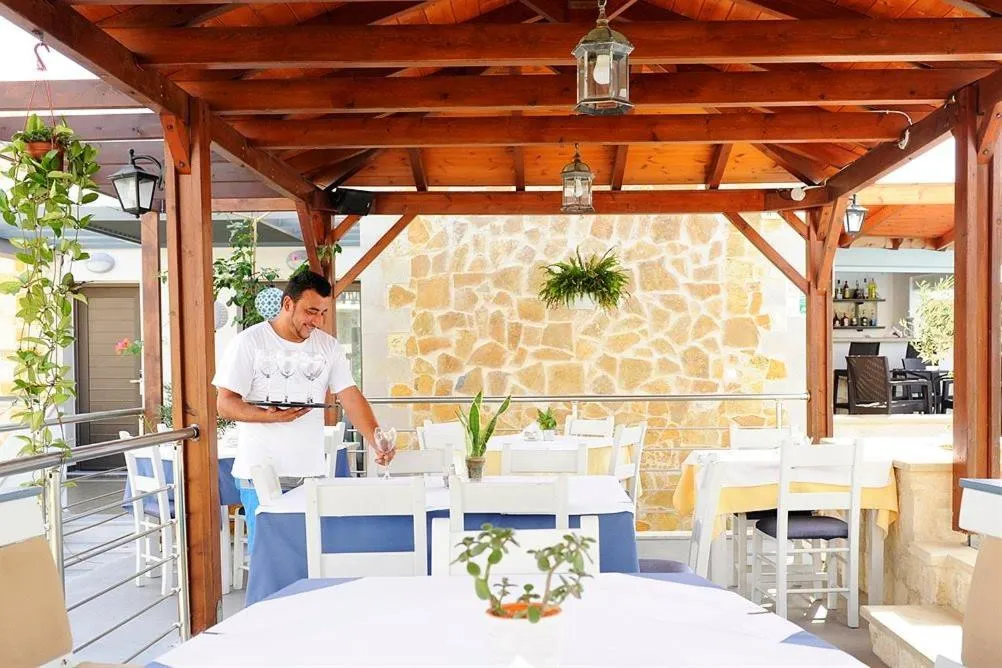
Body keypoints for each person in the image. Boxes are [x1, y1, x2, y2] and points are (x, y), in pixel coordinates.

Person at [213, 270, 393, 550]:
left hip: (310, 473)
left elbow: (350, 396)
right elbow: (224, 404)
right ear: (287, 304)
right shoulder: (249, 342)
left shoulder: (328, 346)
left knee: (310, 557)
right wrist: (268, 416)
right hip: (260, 473)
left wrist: (376, 441)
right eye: (311, 311)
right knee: (269, 557)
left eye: (322, 313)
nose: (317, 321)